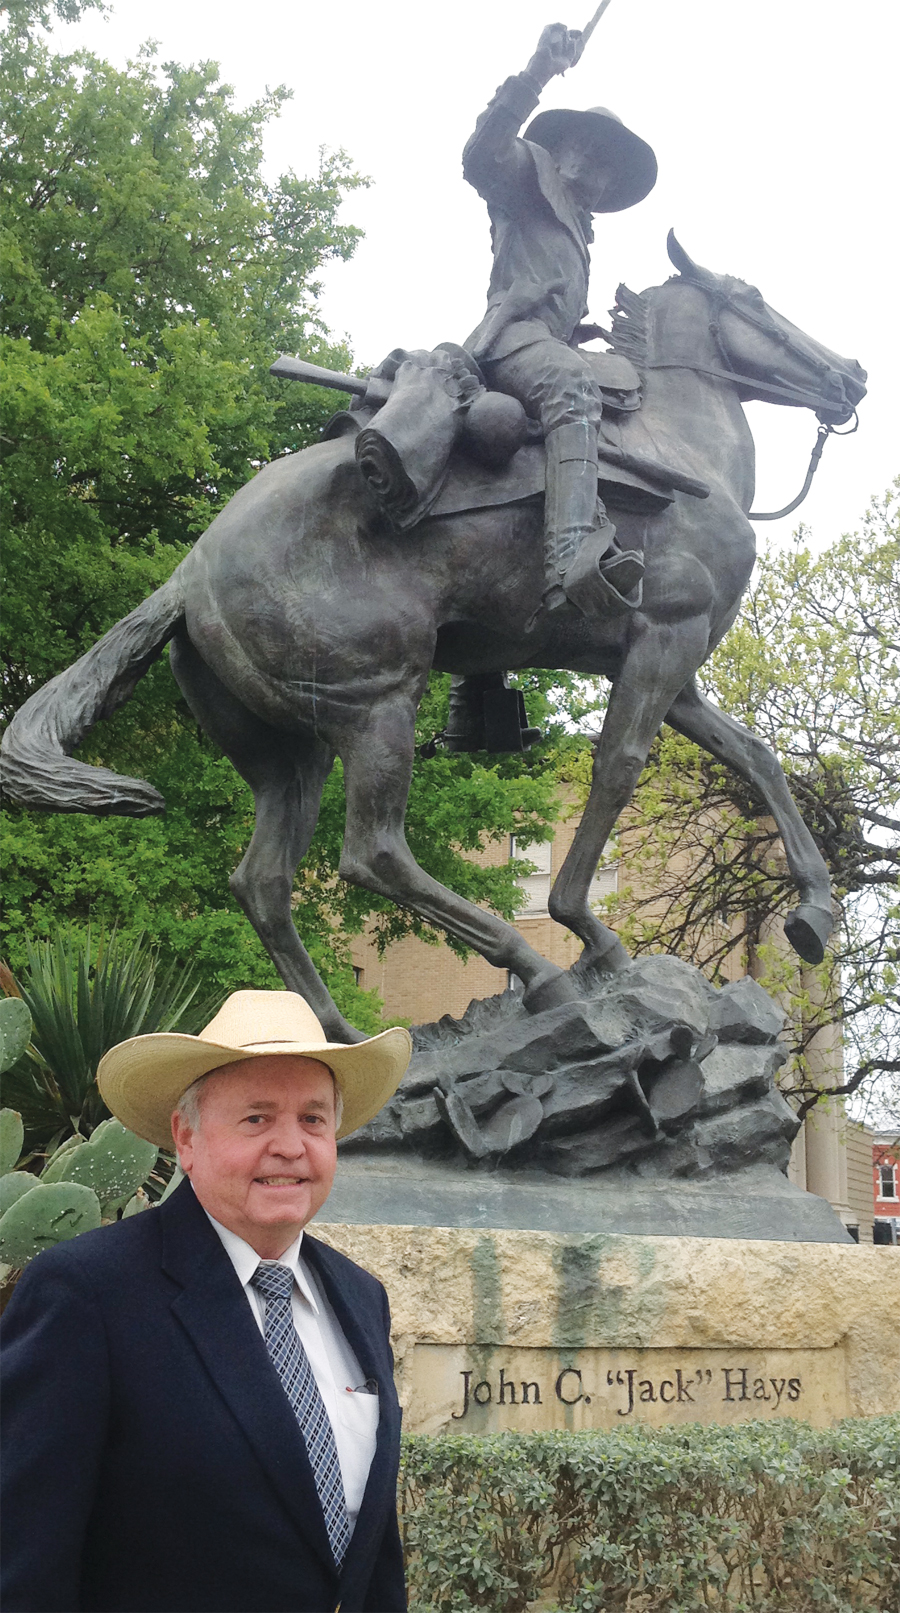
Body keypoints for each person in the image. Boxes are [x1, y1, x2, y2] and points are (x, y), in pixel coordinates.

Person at [1, 989, 413, 1613]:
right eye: (257, 1118)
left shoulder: (360, 1297)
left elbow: (371, 1552)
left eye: (313, 1118)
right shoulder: (87, 1294)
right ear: (186, 1138)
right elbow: (23, 1563)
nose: (290, 1145)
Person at [463, 20, 657, 616]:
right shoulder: (528, 178)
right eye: (593, 156)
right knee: (573, 386)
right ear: (563, 147)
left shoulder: (577, 226)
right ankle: (571, 552)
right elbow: (481, 154)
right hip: (510, 341)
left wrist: (575, 332)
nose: (599, 177)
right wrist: (536, 72)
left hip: (543, 339)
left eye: (609, 173)